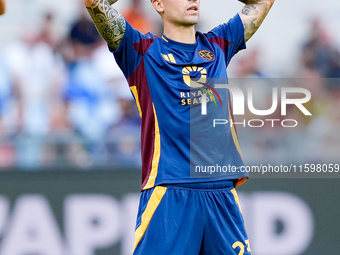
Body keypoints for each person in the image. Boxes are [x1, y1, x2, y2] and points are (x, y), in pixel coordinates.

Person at [84, 0, 274, 254]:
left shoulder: (217, 45)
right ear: (158, 3)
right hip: (170, 191)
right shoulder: (140, 51)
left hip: (222, 192)